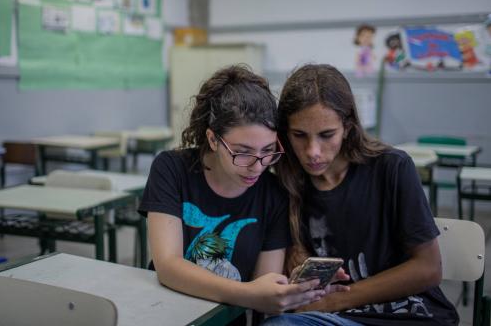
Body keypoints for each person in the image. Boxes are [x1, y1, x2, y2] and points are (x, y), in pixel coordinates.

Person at [263, 64, 459, 325]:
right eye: (299, 135)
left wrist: (336, 300)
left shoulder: (392, 167)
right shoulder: (287, 181)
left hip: (409, 315)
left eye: (326, 135)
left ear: (348, 126)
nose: (313, 151)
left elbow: (429, 269)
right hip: (332, 318)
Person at [138, 65, 331, 324]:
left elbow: (265, 285)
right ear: (214, 139)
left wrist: (292, 292)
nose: (257, 165)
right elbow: (168, 267)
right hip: (164, 312)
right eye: (242, 152)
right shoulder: (172, 169)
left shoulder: (273, 194)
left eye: (268, 150)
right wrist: (248, 294)